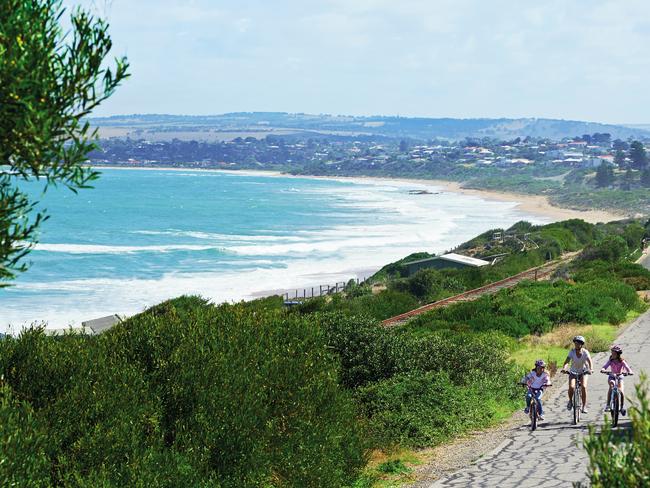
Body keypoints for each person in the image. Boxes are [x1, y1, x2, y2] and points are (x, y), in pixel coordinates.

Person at [561, 335, 593, 414]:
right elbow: (567, 361)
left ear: (581, 344)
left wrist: (591, 369)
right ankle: (570, 401)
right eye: (575, 343)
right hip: (573, 372)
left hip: (583, 372)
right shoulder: (572, 352)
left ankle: (584, 406)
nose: (576, 345)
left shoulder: (585, 352)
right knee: (571, 387)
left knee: (584, 387)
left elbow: (590, 361)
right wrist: (564, 368)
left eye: (578, 343)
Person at [600, 345, 633, 416]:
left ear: (618, 354)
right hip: (612, 376)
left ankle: (622, 406)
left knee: (621, 390)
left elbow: (627, 367)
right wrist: (603, 369)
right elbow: (605, 366)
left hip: (620, 376)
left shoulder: (622, 361)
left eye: (614, 353)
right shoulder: (610, 360)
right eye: (612, 353)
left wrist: (629, 371)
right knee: (611, 386)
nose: (612, 354)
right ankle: (608, 405)